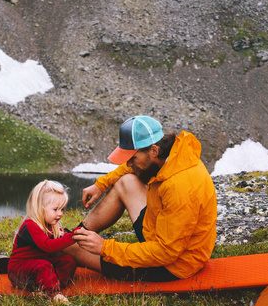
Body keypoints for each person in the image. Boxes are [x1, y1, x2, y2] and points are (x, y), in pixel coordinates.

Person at [67, 115, 217, 282]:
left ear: (154, 150)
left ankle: (68, 244)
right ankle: (74, 235)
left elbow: (166, 253)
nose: (129, 164)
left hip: (172, 264)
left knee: (72, 250)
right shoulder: (173, 156)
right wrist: (101, 185)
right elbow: (130, 168)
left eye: (132, 158)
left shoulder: (180, 186)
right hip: (159, 231)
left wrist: (105, 248)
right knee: (127, 181)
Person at [7, 180, 78, 303]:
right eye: (55, 209)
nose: (60, 214)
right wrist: (70, 238)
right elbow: (48, 246)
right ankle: (54, 294)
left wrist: (74, 235)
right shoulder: (30, 225)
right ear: (39, 208)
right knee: (43, 266)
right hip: (19, 271)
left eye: (62, 209)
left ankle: (52, 286)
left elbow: (61, 237)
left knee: (68, 261)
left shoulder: (50, 224)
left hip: (39, 265)